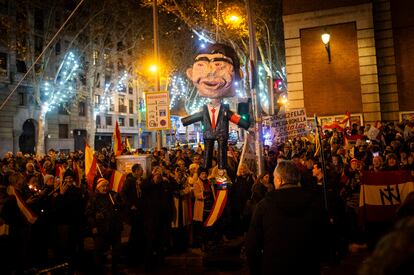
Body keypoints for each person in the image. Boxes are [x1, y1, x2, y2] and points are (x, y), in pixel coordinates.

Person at [246, 160, 326, 275]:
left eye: (274, 178)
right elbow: (323, 236)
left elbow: (252, 246)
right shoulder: (314, 203)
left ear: (279, 180)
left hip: (274, 267)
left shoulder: (264, 206)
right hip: (307, 266)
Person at [181, 43, 250, 173]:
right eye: (202, 65)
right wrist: (185, 121)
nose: (211, 72)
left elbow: (233, 117)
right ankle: (206, 167)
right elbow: (197, 116)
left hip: (222, 135)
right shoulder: (206, 110)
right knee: (208, 150)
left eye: (219, 66)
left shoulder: (225, 110)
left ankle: (222, 167)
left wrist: (245, 123)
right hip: (208, 134)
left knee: (222, 150)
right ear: (190, 73)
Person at [86, 178, 123, 274]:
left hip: (114, 228)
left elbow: (121, 207)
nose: (105, 188)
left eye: (107, 185)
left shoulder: (113, 195)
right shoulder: (93, 197)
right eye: (103, 186)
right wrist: (93, 226)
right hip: (101, 229)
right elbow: (89, 214)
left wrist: (118, 204)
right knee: (99, 251)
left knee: (116, 250)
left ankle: (115, 269)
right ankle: (99, 269)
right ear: (98, 187)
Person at [121, 163, 144, 263]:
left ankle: (137, 254)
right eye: (140, 169)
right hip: (132, 212)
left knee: (138, 233)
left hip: (139, 211)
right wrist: (130, 205)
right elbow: (123, 194)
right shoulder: (129, 181)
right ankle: (131, 256)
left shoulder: (139, 181)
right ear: (135, 171)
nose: (142, 171)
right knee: (133, 233)